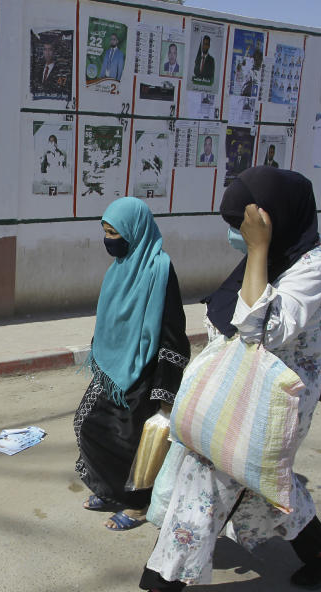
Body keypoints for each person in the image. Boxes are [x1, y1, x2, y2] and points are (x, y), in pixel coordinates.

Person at [108, 167, 321, 592]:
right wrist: (260, 252)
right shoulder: (279, 254)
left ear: (275, 219)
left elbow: (264, 328)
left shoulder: (318, 262)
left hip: (274, 396)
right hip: (238, 384)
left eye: (248, 225)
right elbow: (229, 317)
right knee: (259, 482)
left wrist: (259, 250)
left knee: (206, 483)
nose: (240, 236)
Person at [74, 197, 190, 531]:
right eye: (106, 232)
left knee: (132, 441)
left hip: (146, 372)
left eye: (115, 233)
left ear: (134, 232)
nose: (110, 240)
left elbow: (172, 331)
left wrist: (166, 389)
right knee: (90, 426)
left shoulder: (159, 269)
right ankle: (110, 491)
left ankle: (138, 505)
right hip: (113, 367)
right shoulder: (120, 268)